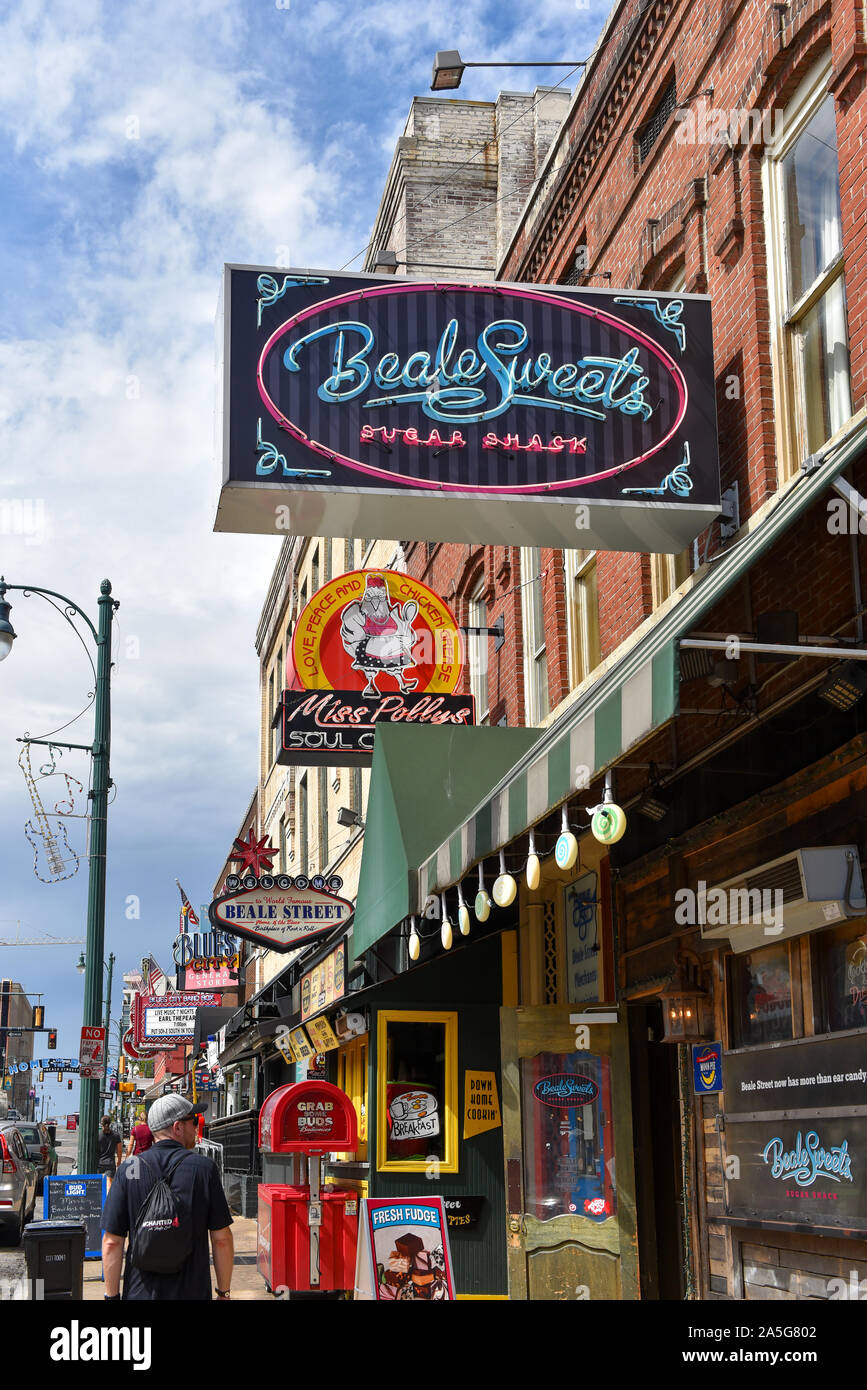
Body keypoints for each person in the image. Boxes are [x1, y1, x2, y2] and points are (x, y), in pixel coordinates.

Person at [101, 1094, 234, 1301]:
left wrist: (111, 1296)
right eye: (193, 1121)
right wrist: (223, 1292)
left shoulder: (129, 1169)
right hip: (192, 1292)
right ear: (177, 1127)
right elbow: (222, 1239)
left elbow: (112, 1242)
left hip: (140, 1293)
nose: (196, 1128)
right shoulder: (204, 1169)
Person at [97, 1114, 122, 1191]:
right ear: (110, 1123)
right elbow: (119, 1150)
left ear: (102, 1124)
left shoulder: (98, 1135)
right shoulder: (116, 1135)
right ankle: (108, 1201)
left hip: (98, 1163)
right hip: (110, 1163)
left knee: (98, 1185)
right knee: (109, 1183)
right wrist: (119, 1160)